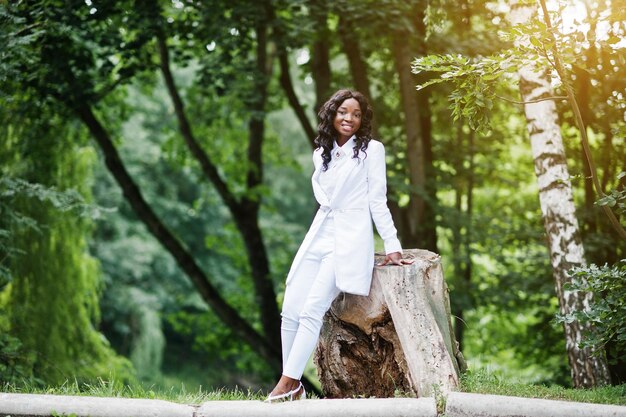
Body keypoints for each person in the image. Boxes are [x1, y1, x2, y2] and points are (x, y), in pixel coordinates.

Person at [265, 89, 412, 402]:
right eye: (344, 112)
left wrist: (392, 244)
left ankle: (287, 382)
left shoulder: (372, 150)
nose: (350, 119)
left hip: (349, 237)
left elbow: (378, 200)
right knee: (290, 309)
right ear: (332, 114)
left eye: (356, 114)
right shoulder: (321, 152)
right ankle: (294, 387)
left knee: (312, 309)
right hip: (321, 233)